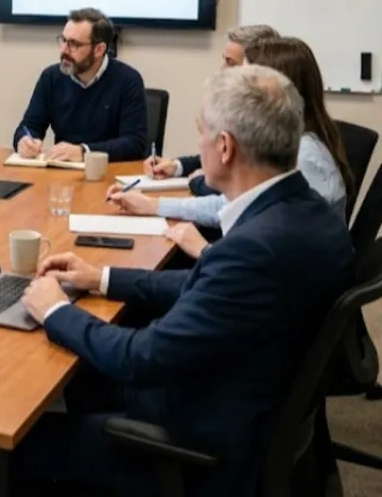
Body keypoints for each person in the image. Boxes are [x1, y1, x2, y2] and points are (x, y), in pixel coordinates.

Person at [17, 65, 354, 497]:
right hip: (250, 394)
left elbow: (141, 359)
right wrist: (100, 277)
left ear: (226, 147)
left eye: (202, 132)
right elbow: (203, 284)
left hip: (204, 438)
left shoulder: (252, 248)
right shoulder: (307, 214)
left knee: (27, 436)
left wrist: (55, 310)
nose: (198, 144)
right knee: (78, 372)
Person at [111, 36, 352, 258]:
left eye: (246, 78)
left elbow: (276, 256)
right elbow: (234, 207)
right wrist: (156, 205)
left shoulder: (303, 157)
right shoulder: (299, 144)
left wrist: (206, 252)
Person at [144, 24, 280, 182]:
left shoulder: (269, 121)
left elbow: (237, 187)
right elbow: (224, 157)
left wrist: (197, 182)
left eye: (230, 63)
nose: (222, 70)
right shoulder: (243, 108)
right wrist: (176, 166)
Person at [12, 8, 147, 163]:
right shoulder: (51, 77)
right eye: (63, 40)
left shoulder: (128, 80)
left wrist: (84, 151)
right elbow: (29, 126)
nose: (64, 50)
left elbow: (134, 144)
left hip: (109, 175)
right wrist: (23, 141)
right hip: (62, 174)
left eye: (74, 44)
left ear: (99, 50)